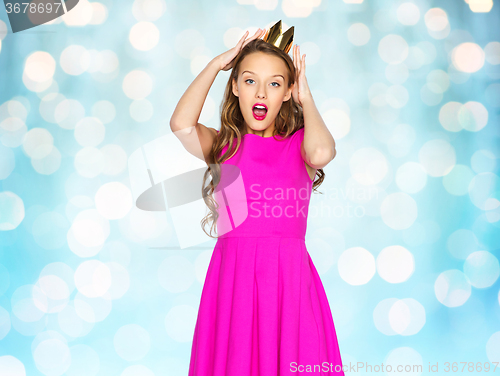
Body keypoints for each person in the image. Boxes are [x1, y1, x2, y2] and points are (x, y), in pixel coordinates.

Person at [170, 22, 345, 376]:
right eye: (250, 80)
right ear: (234, 87)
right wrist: (217, 65)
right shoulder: (224, 145)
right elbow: (182, 124)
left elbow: (324, 151)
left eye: (275, 84)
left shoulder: (299, 145)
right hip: (233, 280)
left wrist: (306, 97)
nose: (261, 93)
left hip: (288, 282)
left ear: (287, 93)